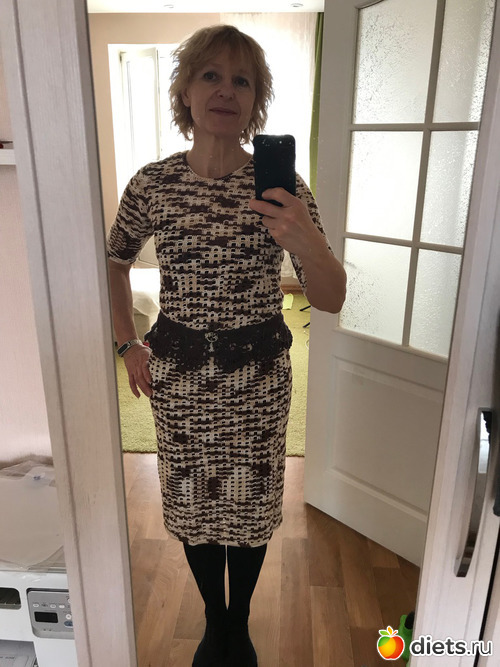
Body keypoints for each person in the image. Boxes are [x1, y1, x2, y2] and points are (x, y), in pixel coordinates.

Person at [107, 24, 346, 667]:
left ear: (255, 101)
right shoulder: (153, 183)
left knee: (250, 505)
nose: (225, 90)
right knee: (192, 504)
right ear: (185, 91)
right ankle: (216, 620)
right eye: (210, 75)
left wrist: (306, 239)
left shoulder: (282, 187)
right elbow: (115, 259)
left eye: (242, 80)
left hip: (257, 379)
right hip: (179, 377)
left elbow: (330, 298)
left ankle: (238, 624)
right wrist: (127, 344)